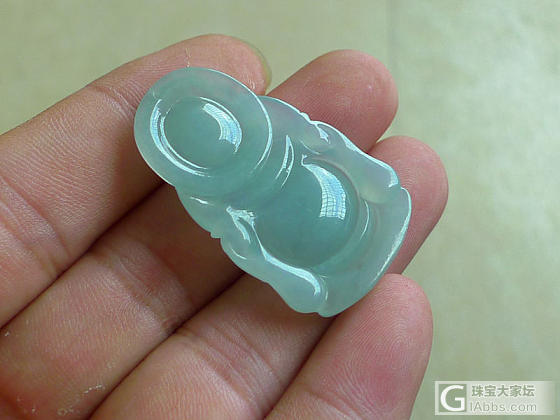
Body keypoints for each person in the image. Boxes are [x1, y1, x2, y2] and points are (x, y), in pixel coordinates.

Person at [0, 34, 447, 419]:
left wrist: (374, 183)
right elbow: (243, 244)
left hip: (341, 202)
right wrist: (299, 282)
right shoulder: (203, 196)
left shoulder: (275, 123)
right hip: (292, 240)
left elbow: (327, 143)